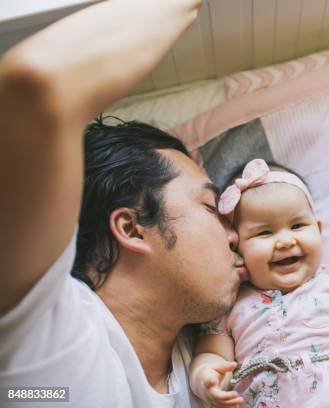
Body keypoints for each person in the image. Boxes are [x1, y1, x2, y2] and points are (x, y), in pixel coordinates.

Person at [0, 1, 246, 407]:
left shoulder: (207, 365)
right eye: (209, 206)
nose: (236, 234)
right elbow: (33, 87)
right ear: (132, 228)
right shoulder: (51, 340)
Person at [188, 159, 329, 408]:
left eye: (297, 226)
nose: (285, 240)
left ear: (318, 229)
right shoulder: (230, 301)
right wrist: (205, 377)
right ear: (235, 246)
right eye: (264, 233)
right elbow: (212, 354)